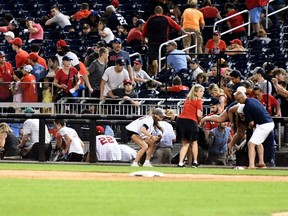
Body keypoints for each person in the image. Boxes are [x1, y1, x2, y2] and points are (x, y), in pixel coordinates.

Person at [142, 6, 188, 76]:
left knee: (155, 61)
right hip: (163, 42)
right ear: (162, 12)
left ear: (154, 12)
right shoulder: (166, 18)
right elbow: (176, 26)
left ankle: (156, 75)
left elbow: (144, 32)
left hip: (152, 43)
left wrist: (143, 42)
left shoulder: (150, 19)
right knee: (167, 56)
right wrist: (185, 32)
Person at [234, 90, 274, 168]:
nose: (238, 102)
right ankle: (261, 162)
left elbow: (251, 123)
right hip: (269, 122)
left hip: (263, 124)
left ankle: (251, 165)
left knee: (251, 144)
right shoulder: (254, 100)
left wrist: (248, 126)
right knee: (258, 142)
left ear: (242, 98)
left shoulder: (246, 107)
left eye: (238, 100)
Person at [176, 84, 205, 167]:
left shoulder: (187, 99)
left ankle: (180, 162)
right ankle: (195, 161)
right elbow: (199, 114)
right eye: (201, 91)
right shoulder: (198, 100)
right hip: (190, 121)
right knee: (194, 142)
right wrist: (200, 122)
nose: (202, 93)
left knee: (185, 143)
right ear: (196, 92)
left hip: (180, 120)